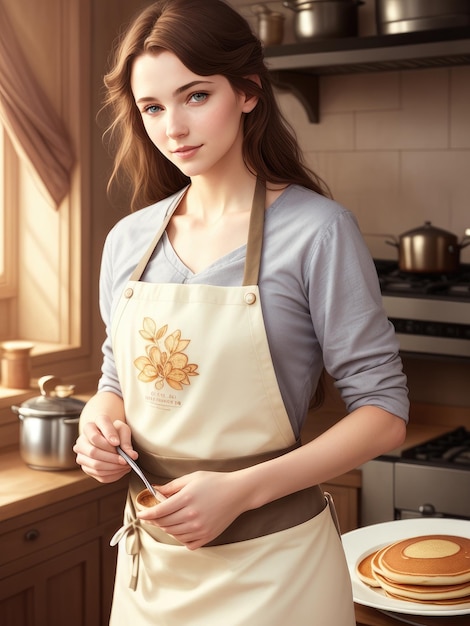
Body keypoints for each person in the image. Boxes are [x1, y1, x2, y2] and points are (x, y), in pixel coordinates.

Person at [73, 1, 409, 624]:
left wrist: (238, 491)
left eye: (195, 96)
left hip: (275, 570)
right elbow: (115, 380)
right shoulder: (129, 240)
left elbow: (384, 417)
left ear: (248, 91)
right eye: (152, 107)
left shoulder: (318, 232)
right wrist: (100, 425)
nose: (173, 127)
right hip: (155, 568)